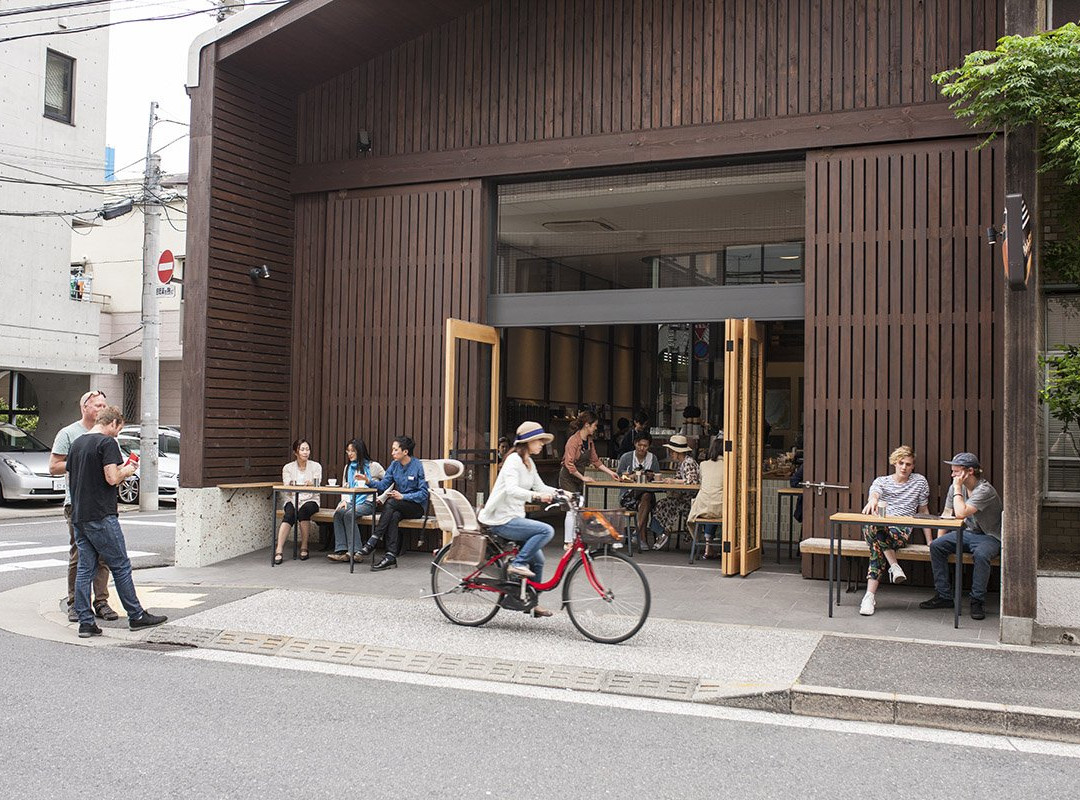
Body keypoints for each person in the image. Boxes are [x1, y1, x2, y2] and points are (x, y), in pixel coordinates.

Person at [67, 406, 167, 637]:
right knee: (120, 565)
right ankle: (136, 615)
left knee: (85, 568)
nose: (117, 434)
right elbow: (111, 478)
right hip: (101, 514)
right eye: (118, 429)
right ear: (112, 423)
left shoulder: (78, 443)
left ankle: (85, 622)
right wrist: (128, 470)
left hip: (79, 514)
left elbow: (76, 475)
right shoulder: (107, 443)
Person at [478, 421, 559, 617]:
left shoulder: (528, 462)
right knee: (546, 530)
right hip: (501, 519)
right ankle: (518, 564)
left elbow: (540, 487)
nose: (541, 444)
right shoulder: (513, 461)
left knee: (538, 560)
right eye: (539, 440)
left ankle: (531, 601)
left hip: (514, 517)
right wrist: (536, 497)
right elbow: (512, 490)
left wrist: (562, 493)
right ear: (528, 441)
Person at [49, 389, 115, 623]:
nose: (102, 409)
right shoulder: (69, 433)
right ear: (84, 407)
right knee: (80, 555)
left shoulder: (107, 433)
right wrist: (82, 460)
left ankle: (102, 602)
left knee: (104, 555)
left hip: (103, 503)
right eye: (97, 405)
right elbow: (54, 466)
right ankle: (75, 604)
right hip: (76, 502)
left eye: (104, 405)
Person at [919, 453, 1003, 621]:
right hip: (967, 533)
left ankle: (977, 601)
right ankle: (944, 596)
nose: (952, 476)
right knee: (937, 546)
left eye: (956, 472)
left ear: (969, 471)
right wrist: (937, 540)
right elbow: (947, 513)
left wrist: (957, 488)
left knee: (981, 555)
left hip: (990, 536)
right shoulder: (956, 488)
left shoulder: (985, 490)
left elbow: (961, 513)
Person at [857, 445, 931, 616]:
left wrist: (929, 541)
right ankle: (894, 566)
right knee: (874, 525)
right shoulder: (881, 481)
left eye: (908, 464)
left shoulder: (919, 482)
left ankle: (869, 596)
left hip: (900, 530)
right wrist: (872, 501)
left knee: (877, 545)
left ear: (913, 466)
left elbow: (923, 512)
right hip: (879, 526)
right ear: (894, 463)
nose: (904, 467)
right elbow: (874, 494)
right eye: (901, 463)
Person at [355, 435, 429, 571]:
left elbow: (424, 494)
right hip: (400, 505)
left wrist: (403, 496)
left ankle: (374, 539)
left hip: (416, 507)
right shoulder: (394, 465)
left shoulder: (418, 466)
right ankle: (390, 556)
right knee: (393, 515)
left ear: (405, 452)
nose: (392, 453)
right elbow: (383, 485)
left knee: (391, 503)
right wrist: (368, 481)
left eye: (395, 450)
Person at [327, 438, 384, 562]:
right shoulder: (348, 468)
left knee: (349, 515)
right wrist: (343, 500)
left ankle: (356, 552)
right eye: (348, 451)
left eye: (353, 451)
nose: (350, 454)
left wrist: (381, 498)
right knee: (338, 513)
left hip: (368, 502)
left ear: (360, 451)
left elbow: (389, 481)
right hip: (352, 500)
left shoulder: (373, 466)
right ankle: (342, 550)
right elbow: (345, 486)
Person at [648, 434, 701, 550]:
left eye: (672, 451)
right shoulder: (681, 463)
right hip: (683, 497)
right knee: (660, 504)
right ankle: (664, 532)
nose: (670, 454)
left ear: (678, 452)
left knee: (663, 505)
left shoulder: (689, 462)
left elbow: (692, 482)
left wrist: (674, 482)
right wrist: (671, 481)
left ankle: (664, 533)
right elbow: (679, 479)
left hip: (690, 500)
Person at [274, 439, 322, 564]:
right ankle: (279, 549)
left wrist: (312, 483)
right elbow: (287, 485)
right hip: (292, 498)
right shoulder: (288, 467)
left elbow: (317, 484)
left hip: (311, 499)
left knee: (304, 512)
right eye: (302, 449)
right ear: (296, 452)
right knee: (289, 514)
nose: (306, 452)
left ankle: (304, 546)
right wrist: (294, 484)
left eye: (307, 449)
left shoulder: (316, 466)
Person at [617, 431, 660, 550]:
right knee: (645, 503)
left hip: (647, 495)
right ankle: (641, 539)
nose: (642, 448)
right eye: (639, 445)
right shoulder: (626, 457)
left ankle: (637, 532)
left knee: (646, 497)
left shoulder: (653, 458)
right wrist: (630, 477)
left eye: (645, 446)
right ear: (635, 444)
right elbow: (619, 477)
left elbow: (657, 477)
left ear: (649, 446)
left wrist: (651, 476)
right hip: (628, 496)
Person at [558, 410, 620, 492]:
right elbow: (569, 463)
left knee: (580, 502)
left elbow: (595, 461)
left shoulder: (589, 441)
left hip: (579, 478)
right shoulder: (573, 441)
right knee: (572, 502)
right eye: (595, 425)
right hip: (568, 479)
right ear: (587, 424)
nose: (596, 428)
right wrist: (582, 477)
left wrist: (611, 473)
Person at [688, 435, 725, 557]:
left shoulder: (703, 464)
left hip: (702, 508)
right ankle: (726, 548)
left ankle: (707, 547)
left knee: (711, 502)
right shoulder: (729, 466)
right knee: (719, 503)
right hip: (720, 508)